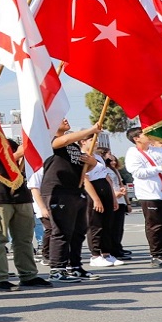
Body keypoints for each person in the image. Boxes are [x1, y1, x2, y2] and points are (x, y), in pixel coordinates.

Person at [0, 140, 52, 291]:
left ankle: (28, 275)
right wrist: (19, 153)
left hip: (21, 195)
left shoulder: (10, 142)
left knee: (24, 240)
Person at [42, 119, 100, 282]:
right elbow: (64, 140)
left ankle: (75, 266)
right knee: (61, 231)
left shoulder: (73, 146)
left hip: (76, 190)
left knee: (78, 232)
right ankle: (57, 269)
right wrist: (91, 130)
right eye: (61, 118)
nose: (66, 120)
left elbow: (84, 168)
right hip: (59, 191)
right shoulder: (50, 141)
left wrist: (92, 162)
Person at [124, 127, 162, 269]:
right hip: (149, 194)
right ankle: (156, 255)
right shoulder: (133, 153)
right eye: (146, 134)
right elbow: (137, 172)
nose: (150, 136)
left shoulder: (158, 151)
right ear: (136, 138)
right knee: (155, 226)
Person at [83, 144, 121, 268]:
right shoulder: (83, 157)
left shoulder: (98, 157)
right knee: (95, 224)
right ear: (83, 142)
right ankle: (95, 255)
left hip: (105, 189)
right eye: (91, 139)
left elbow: (107, 177)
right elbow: (85, 180)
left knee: (107, 224)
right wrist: (96, 199)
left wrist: (113, 197)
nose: (96, 142)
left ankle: (106, 253)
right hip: (93, 191)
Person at [101, 150, 131, 261]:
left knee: (118, 228)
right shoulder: (103, 169)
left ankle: (117, 247)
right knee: (111, 228)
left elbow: (120, 184)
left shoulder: (114, 170)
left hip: (121, 200)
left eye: (114, 160)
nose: (113, 162)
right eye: (110, 158)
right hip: (112, 200)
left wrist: (127, 202)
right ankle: (112, 250)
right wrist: (114, 194)